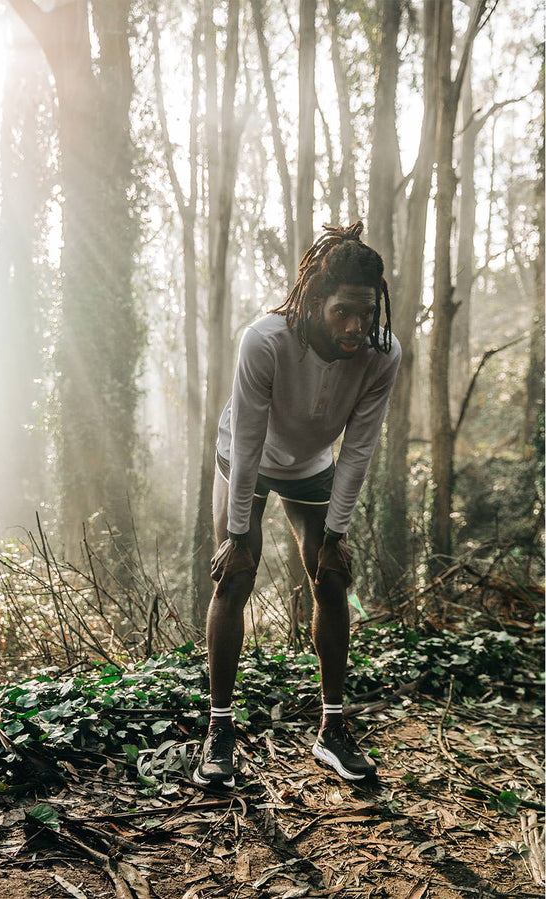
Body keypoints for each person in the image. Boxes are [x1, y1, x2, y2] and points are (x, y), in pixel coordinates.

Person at [193, 221, 401, 788]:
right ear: (314, 302)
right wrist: (237, 536)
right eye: (343, 313)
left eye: (365, 312)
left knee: (332, 581)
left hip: (313, 466)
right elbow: (250, 437)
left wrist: (335, 538)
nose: (356, 326)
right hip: (247, 459)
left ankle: (332, 730)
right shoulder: (266, 338)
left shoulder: (382, 354)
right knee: (233, 580)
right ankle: (220, 733)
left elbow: (358, 449)